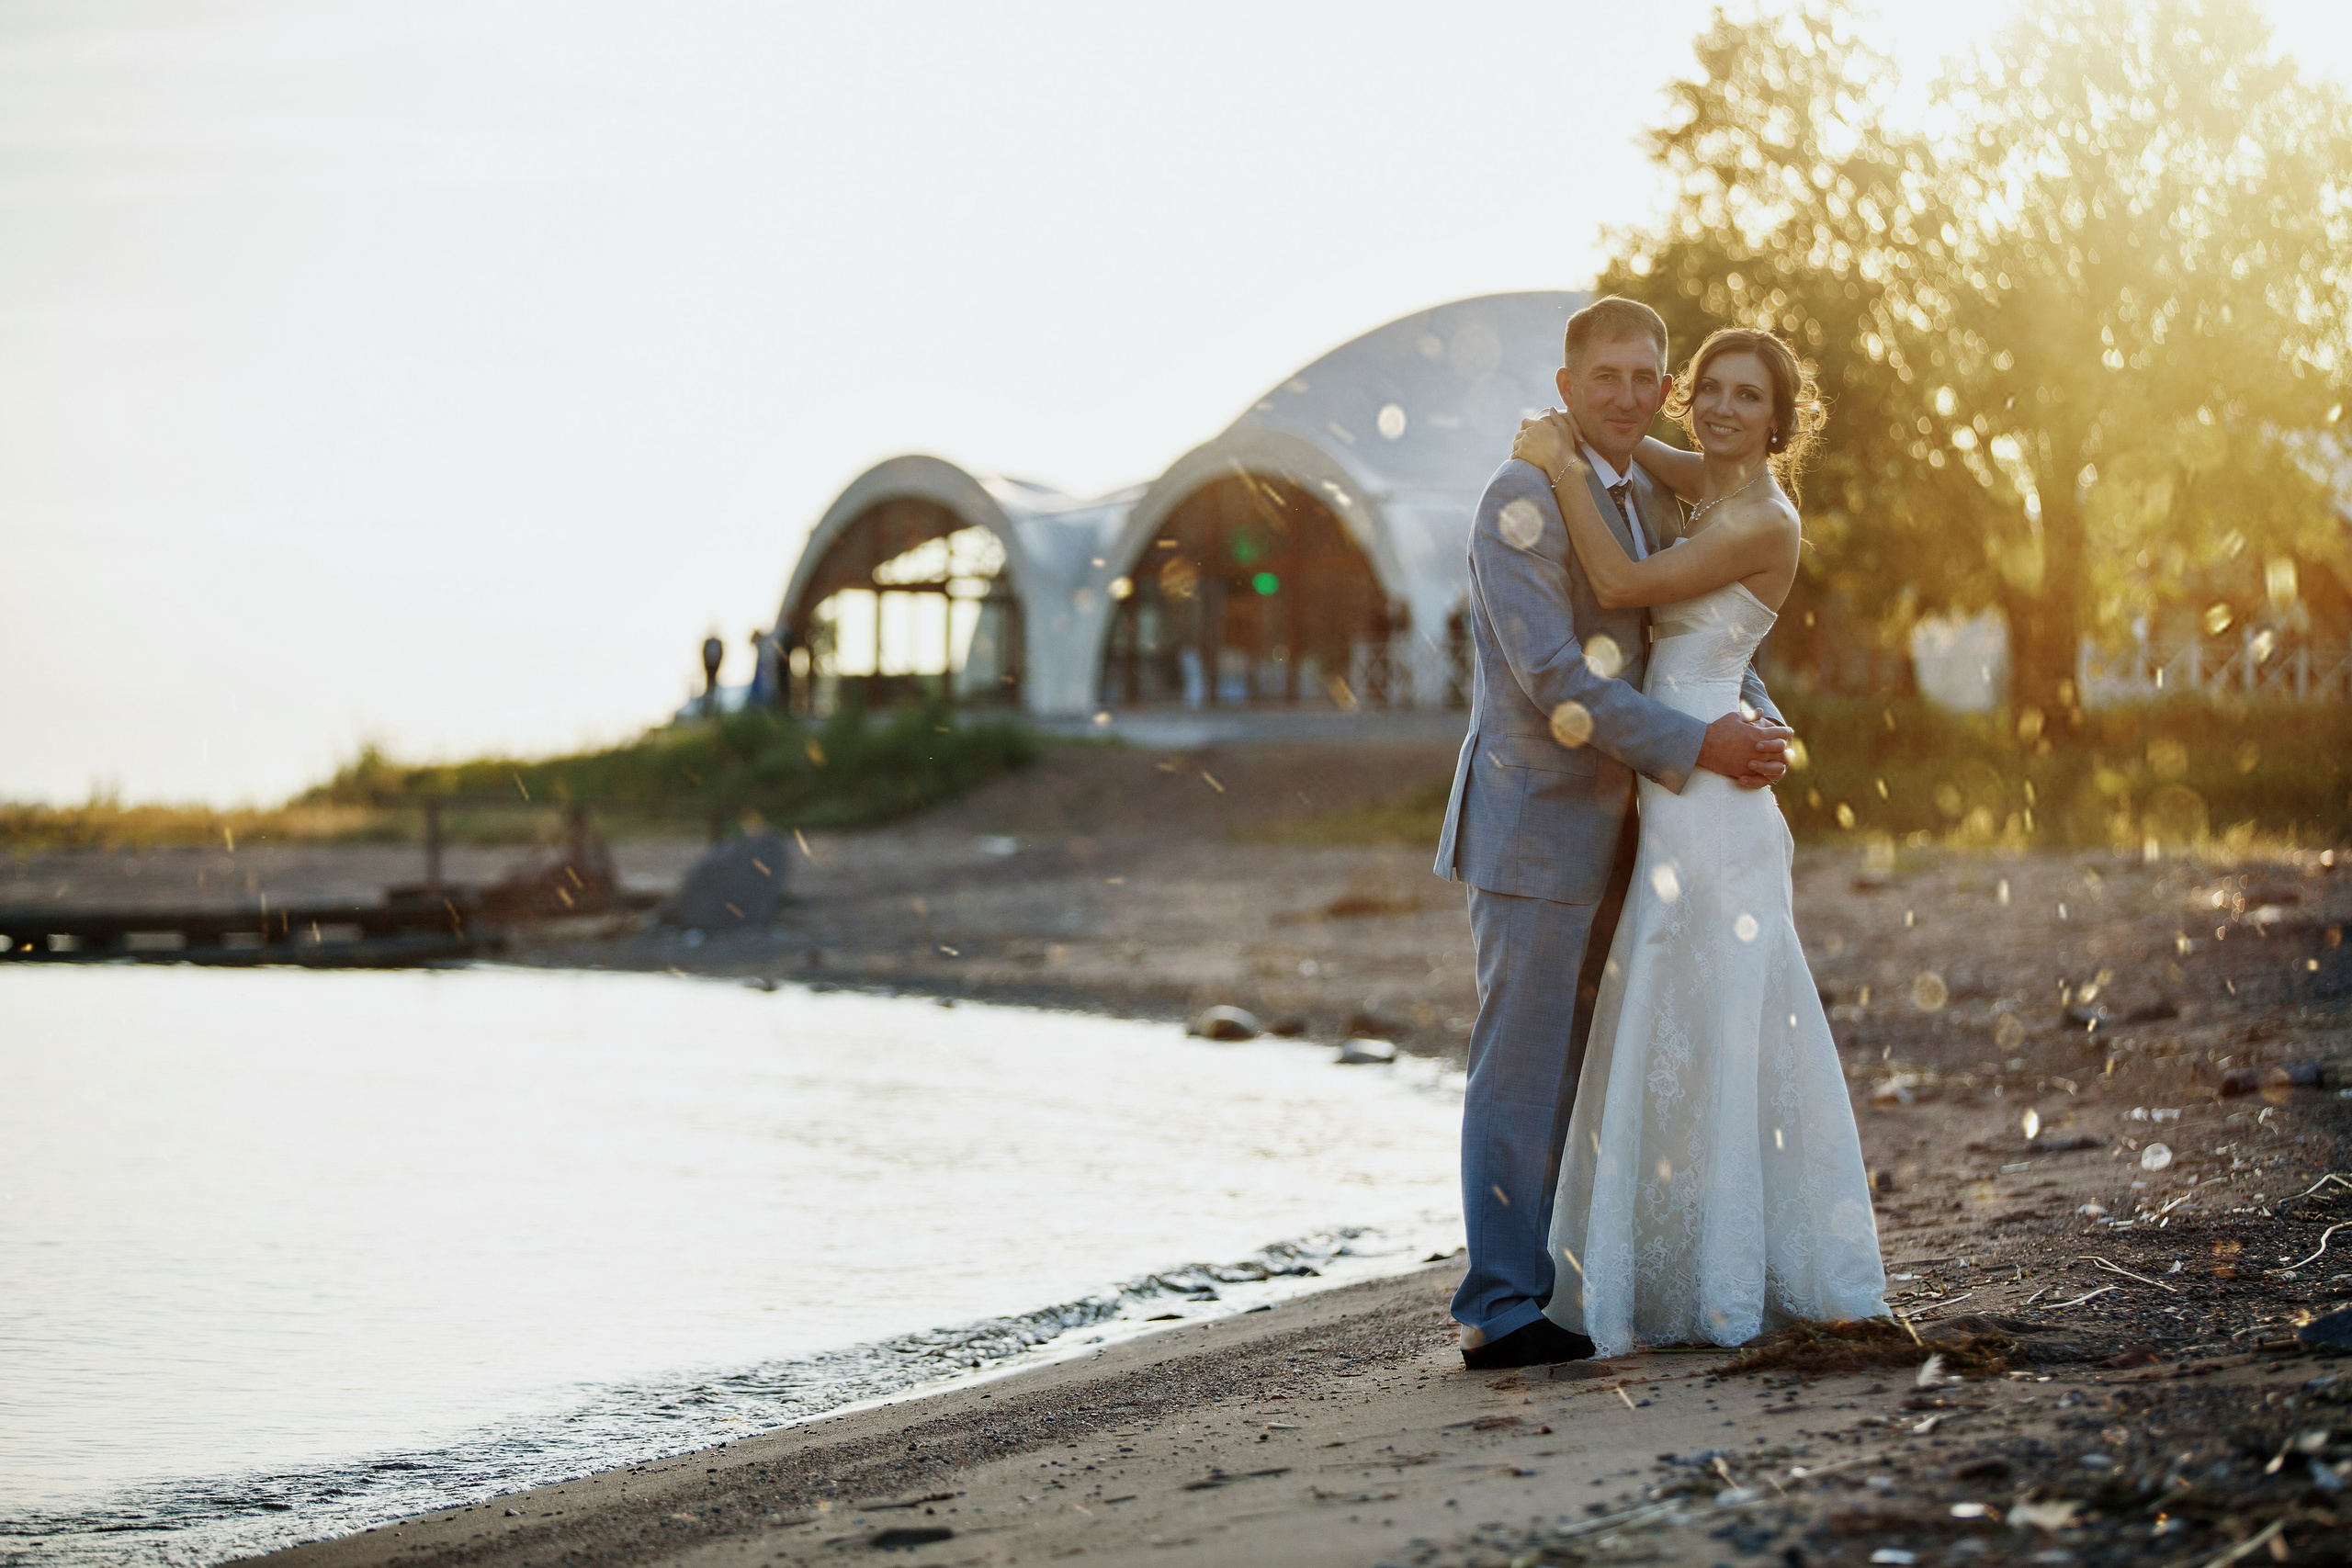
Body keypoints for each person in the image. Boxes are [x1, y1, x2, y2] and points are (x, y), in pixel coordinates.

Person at [1431, 298, 1797, 1371]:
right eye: (1608, 379)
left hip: (1641, 836)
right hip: (1538, 833)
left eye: (1648, 378)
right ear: (1566, 386)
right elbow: (1556, 684)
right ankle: (1498, 1308)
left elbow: (1678, 635)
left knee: (1592, 1072)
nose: (1630, 396)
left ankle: (1569, 1280)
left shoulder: (1644, 498)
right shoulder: (1522, 499)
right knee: (1522, 1069)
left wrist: (1752, 708)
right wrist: (1701, 746)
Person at [1512, 326, 1888, 1358]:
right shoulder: (1708, 481)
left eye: (1747, 398)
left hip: (1713, 799)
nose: (1724, 409)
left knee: (1722, 1027)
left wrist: (1554, 468)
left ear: (1778, 422)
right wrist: (1577, 436)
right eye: (1710, 390)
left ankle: (1728, 1283)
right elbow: (1636, 455)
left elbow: (1628, 589)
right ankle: (1658, 1273)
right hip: (1674, 791)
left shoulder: (1761, 516)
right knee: (1666, 1023)